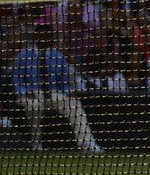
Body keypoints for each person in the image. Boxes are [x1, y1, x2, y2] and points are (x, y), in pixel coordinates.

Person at [13, 19, 103, 152]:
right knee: (34, 106)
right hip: (32, 93)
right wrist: (24, 92)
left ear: (50, 37)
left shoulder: (57, 55)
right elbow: (17, 79)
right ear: (35, 36)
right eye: (40, 34)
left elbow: (65, 81)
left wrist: (70, 93)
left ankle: (86, 144)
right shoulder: (24, 55)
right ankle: (36, 144)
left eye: (46, 35)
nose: (43, 37)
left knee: (75, 105)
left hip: (53, 93)